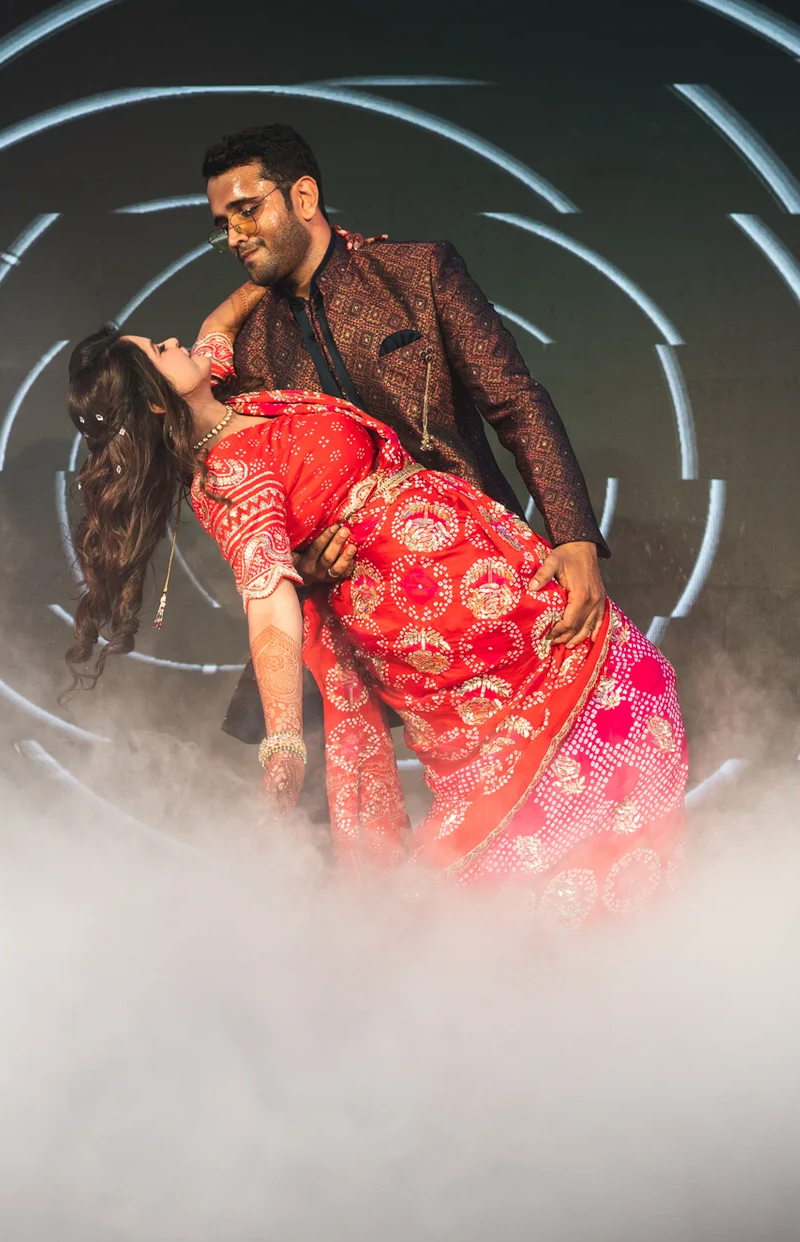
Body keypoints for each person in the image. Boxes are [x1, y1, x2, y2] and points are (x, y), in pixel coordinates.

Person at [63, 326, 688, 925]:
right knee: (524, 786)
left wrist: (284, 238)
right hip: (441, 634)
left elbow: (217, 326)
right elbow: (268, 600)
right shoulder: (228, 476)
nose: (176, 342)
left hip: (498, 575)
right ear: (153, 399)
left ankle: (617, 942)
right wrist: (283, 744)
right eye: (159, 349)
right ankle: (515, 966)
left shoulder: (228, 395)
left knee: (632, 697)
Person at [190, 123, 612, 797]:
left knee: (542, 775)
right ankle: (345, 901)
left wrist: (576, 537)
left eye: (248, 210)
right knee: (307, 788)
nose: (235, 235)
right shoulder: (252, 351)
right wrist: (300, 563)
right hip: (349, 601)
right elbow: (258, 495)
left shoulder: (415, 273)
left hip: (471, 571)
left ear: (303, 196)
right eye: (223, 223)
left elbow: (516, 403)